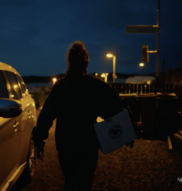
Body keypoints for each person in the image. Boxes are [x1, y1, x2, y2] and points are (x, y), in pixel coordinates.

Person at [33, 41, 123, 191]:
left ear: (69, 62)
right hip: (88, 143)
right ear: (86, 62)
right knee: (84, 183)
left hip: (65, 143)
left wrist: (39, 141)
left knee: (70, 181)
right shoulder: (95, 85)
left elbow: (46, 115)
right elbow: (115, 101)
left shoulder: (60, 86)